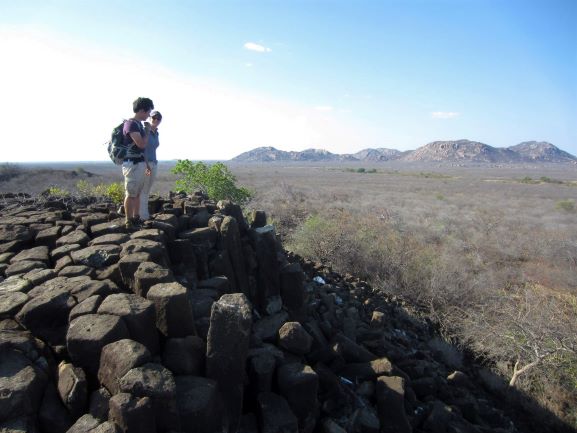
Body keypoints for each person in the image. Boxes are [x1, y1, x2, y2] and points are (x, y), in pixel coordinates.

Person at [122, 97, 154, 229]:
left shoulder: (138, 125)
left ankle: (136, 218)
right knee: (131, 193)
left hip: (139, 163)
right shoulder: (131, 124)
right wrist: (147, 131)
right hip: (132, 164)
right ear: (142, 110)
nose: (148, 115)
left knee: (138, 193)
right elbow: (141, 144)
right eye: (148, 112)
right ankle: (128, 221)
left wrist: (146, 164)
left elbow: (142, 150)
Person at [139, 110, 162, 220]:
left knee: (147, 190)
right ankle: (143, 216)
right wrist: (146, 164)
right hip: (145, 163)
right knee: (143, 190)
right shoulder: (144, 131)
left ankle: (143, 214)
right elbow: (141, 148)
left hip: (154, 163)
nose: (156, 120)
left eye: (158, 118)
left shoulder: (156, 132)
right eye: (154, 118)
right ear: (149, 118)